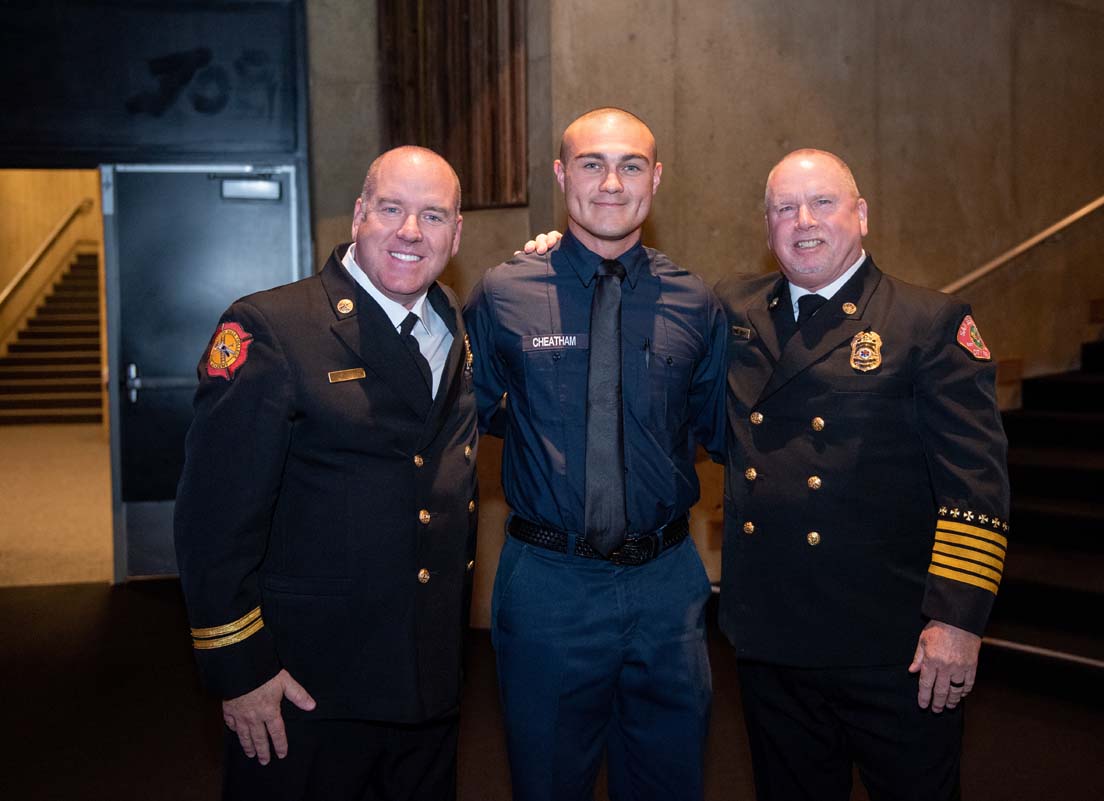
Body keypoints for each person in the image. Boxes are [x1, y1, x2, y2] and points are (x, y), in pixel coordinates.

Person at [174, 146, 479, 800]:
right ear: (359, 214)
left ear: (456, 235)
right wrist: (239, 667)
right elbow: (211, 521)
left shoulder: (451, 322)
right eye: (392, 208)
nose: (410, 231)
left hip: (425, 680)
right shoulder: (275, 328)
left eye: (433, 215)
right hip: (306, 690)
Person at [714, 149, 1010, 801]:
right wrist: (561, 253)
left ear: (862, 214)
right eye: (785, 208)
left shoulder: (927, 323)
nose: (804, 221)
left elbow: (977, 488)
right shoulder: (730, 313)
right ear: (767, 225)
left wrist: (957, 620)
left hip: (895, 646)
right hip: (772, 640)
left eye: (823, 202)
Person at [464, 107, 727, 801]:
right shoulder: (502, 291)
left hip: (669, 585)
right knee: (547, 781)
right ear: (560, 174)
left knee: (672, 782)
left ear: (656, 178)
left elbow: (713, 423)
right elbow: (467, 414)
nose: (611, 182)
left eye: (631, 165)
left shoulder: (697, 301)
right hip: (550, 584)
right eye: (591, 163)